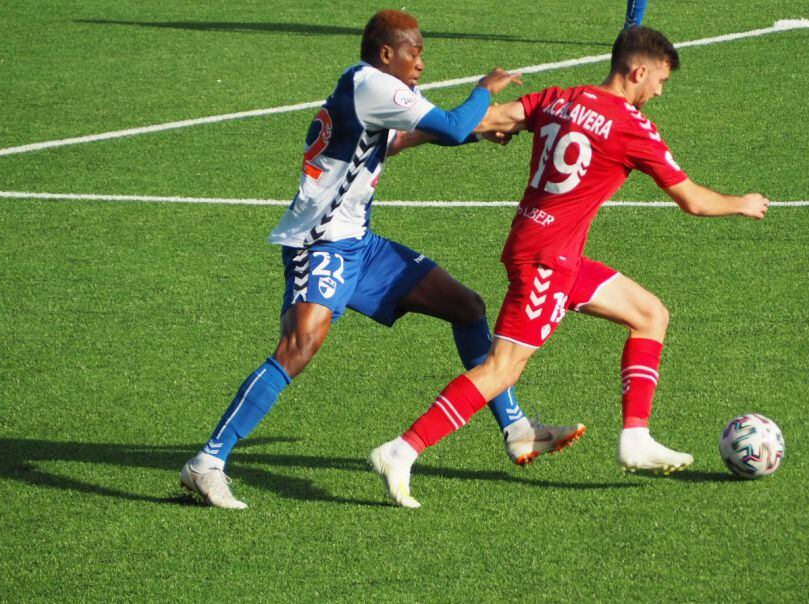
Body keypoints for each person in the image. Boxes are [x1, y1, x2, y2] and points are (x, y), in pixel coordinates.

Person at [179, 10, 586, 509]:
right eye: (414, 52)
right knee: (298, 346)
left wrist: (476, 133)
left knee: (467, 307)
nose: (421, 62)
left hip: (361, 245)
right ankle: (207, 463)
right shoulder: (372, 82)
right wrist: (486, 90)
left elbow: (396, 140)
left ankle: (517, 428)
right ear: (386, 52)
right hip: (320, 242)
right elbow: (453, 126)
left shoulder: (366, 88)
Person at [370, 26, 770, 508]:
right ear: (638, 71)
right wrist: (741, 203)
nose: (660, 92)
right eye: (660, 81)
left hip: (547, 249)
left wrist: (403, 138)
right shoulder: (632, 127)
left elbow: (489, 119)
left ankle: (635, 438)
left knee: (650, 315)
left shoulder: (560, 97)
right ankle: (402, 449)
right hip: (547, 260)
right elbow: (694, 202)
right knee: (502, 368)